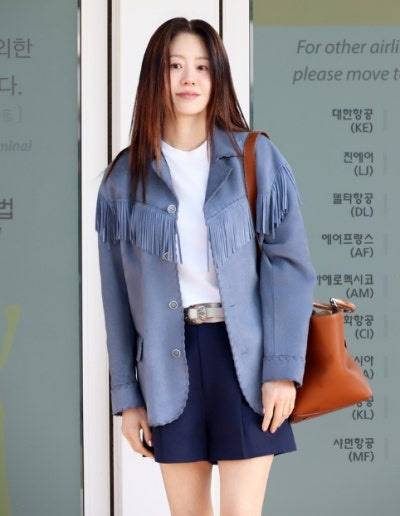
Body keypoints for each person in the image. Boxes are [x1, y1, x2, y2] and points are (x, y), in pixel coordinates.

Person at [95, 16, 317, 516]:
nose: (189, 79)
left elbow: (289, 268)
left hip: (246, 360)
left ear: (217, 76)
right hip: (166, 365)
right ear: (155, 76)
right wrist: (128, 398)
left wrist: (282, 370)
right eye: (175, 66)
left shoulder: (255, 157)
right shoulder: (123, 179)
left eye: (201, 66)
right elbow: (115, 296)